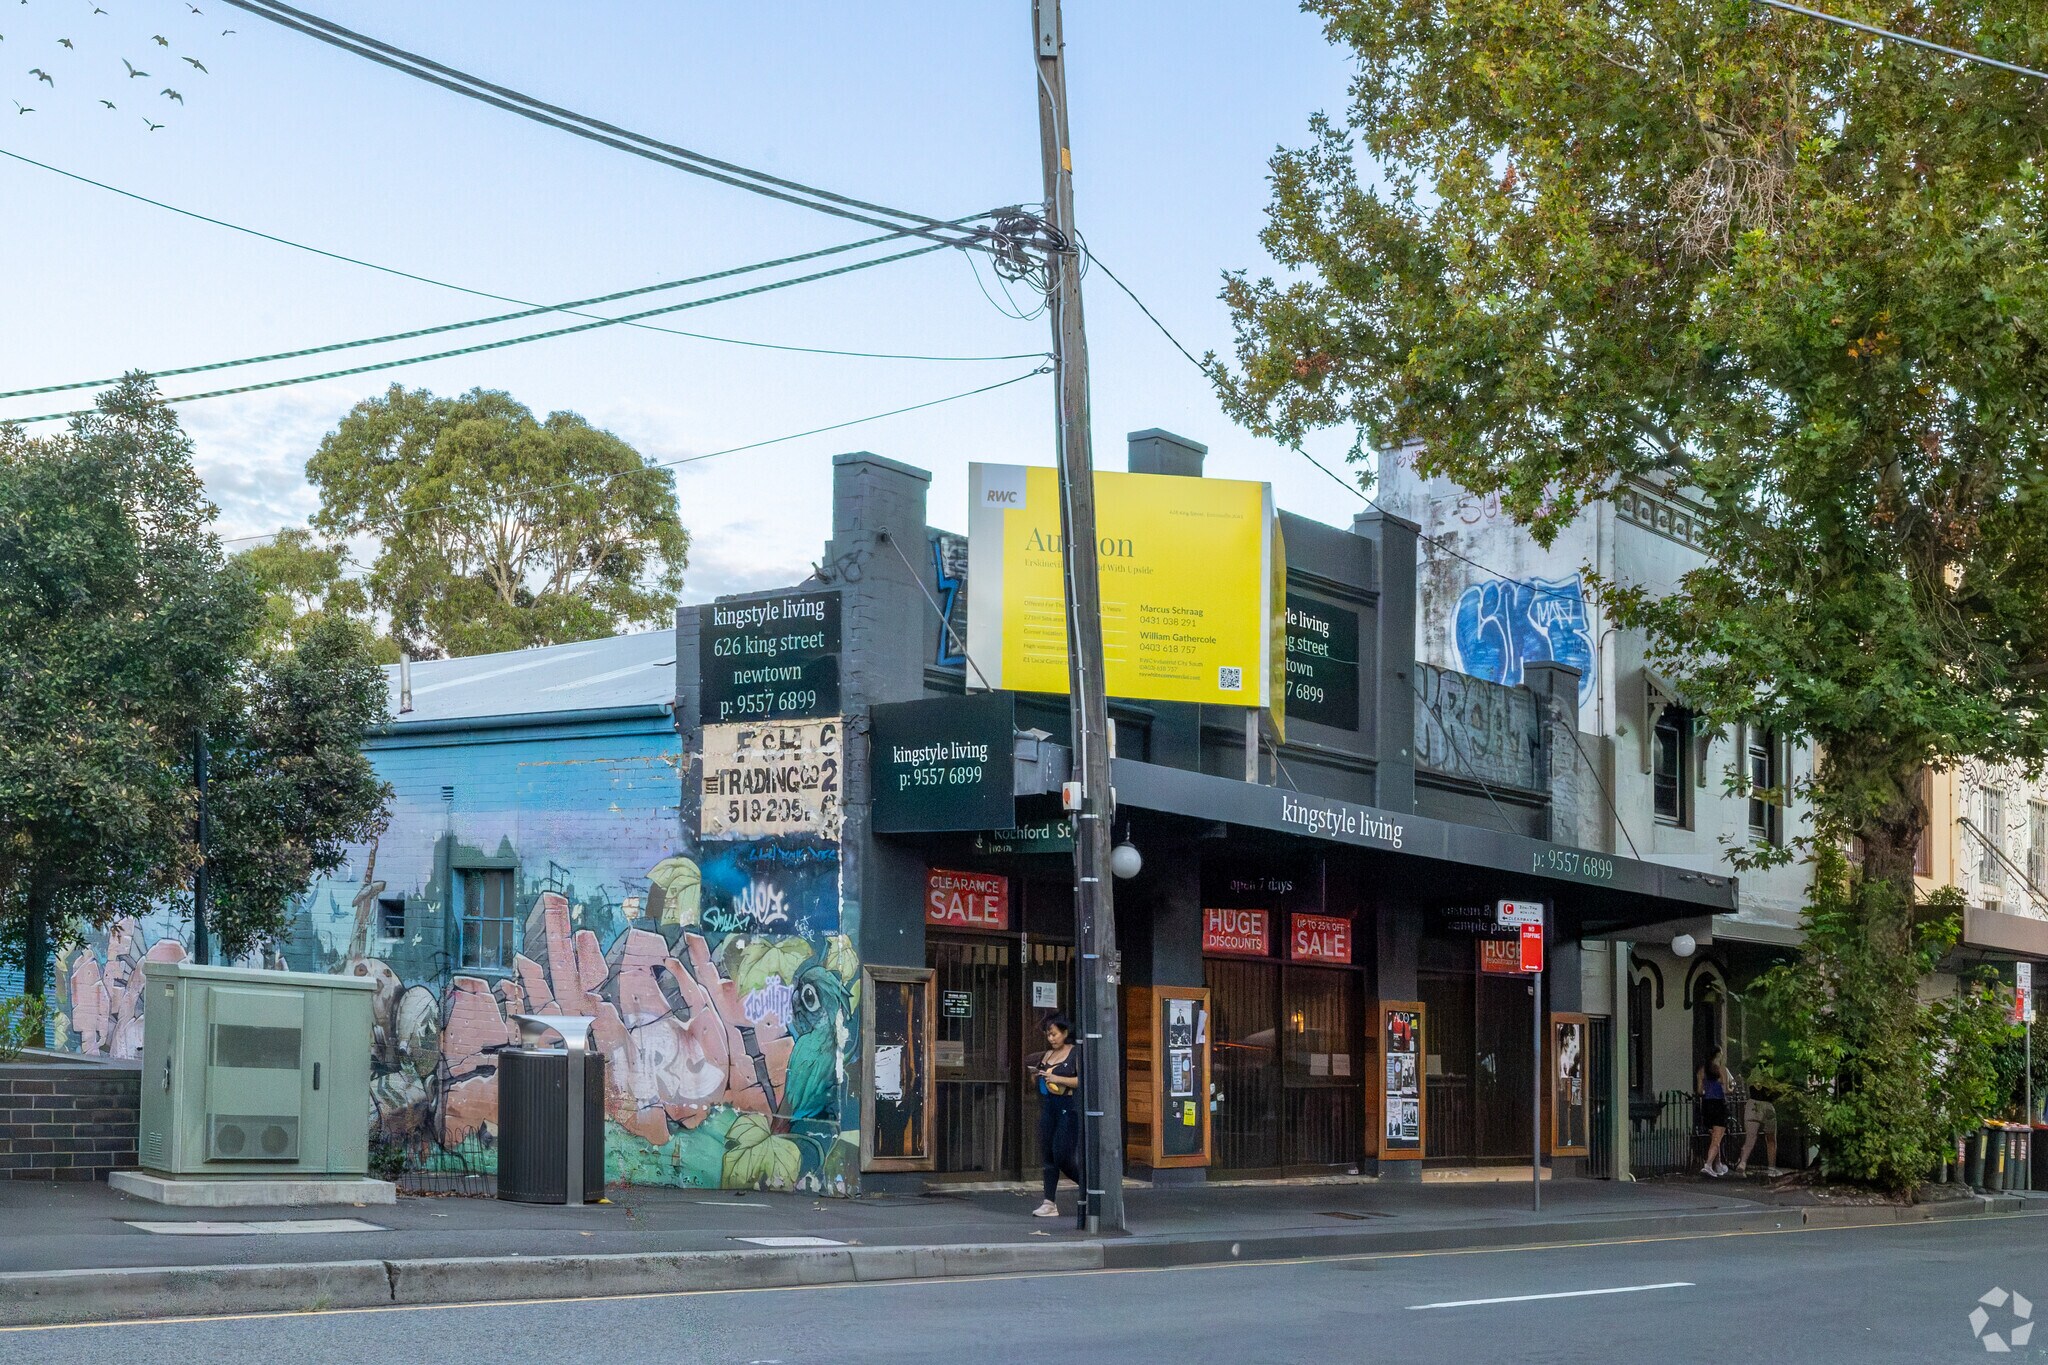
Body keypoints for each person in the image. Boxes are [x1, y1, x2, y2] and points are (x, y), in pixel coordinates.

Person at [1029, 1013, 1082, 1218]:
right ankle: (1049, 1202)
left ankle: (1089, 1186)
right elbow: (1041, 1082)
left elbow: (1081, 1081)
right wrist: (1036, 1077)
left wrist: (1057, 1078)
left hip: (1068, 1106)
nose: (1051, 1038)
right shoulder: (1046, 1055)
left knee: (1062, 1155)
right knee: (1048, 1154)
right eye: (1048, 1035)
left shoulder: (1075, 1053)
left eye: (1054, 1034)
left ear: (1065, 1032)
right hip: (1048, 1105)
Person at [1736, 1068, 1781, 1177]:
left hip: (1753, 1105)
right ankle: (1771, 1168)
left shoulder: (1753, 1073)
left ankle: (1742, 1162)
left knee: (1750, 1137)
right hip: (1767, 1105)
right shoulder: (1772, 1073)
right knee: (1771, 1138)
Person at [1697, 1047, 1732, 1178]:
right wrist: (1732, 1088)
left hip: (1707, 1105)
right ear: (1718, 1056)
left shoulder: (1702, 1070)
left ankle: (1718, 1165)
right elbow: (1726, 1090)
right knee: (1717, 1138)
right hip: (1718, 1104)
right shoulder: (1721, 1069)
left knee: (1714, 1137)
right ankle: (1708, 1164)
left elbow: (1700, 1091)